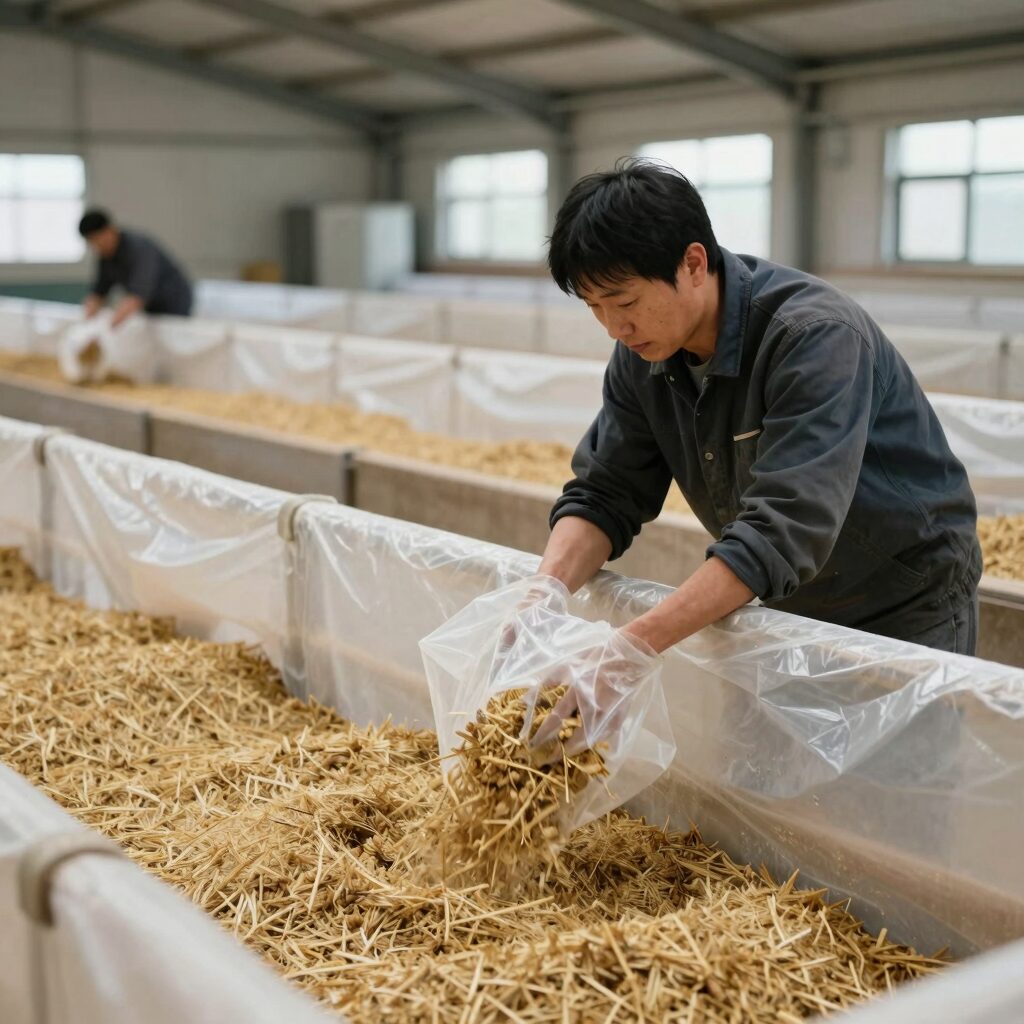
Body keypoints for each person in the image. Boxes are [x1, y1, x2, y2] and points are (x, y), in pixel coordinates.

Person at [536, 158, 981, 662]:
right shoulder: (644, 354)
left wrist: (632, 648)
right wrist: (541, 597)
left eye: (625, 302)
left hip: (904, 598)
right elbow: (607, 492)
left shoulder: (812, 337)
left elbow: (784, 527)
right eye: (594, 306)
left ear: (694, 264)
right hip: (785, 593)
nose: (614, 328)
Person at [79, 209, 193, 326]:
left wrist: (109, 326)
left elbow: (137, 296)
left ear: (110, 230)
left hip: (174, 301)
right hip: (151, 306)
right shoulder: (105, 256)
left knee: (171, 330)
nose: (97, 247)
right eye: (92, 243)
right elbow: (98, 293)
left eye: (99, 240)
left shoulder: (139, 249)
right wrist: (85, 323)